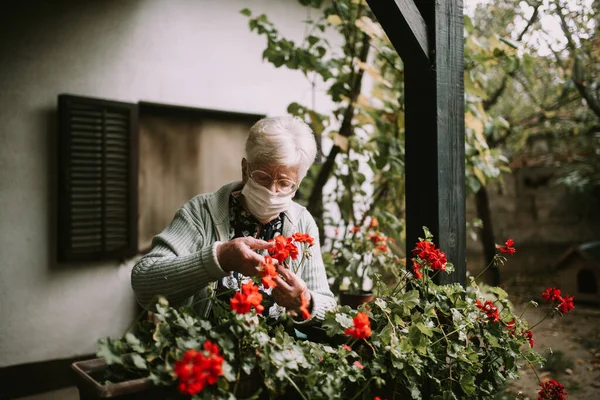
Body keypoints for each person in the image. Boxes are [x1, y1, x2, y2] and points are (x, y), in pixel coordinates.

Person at [131, 116, 336, 323]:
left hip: (275, 352)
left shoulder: (302, 222)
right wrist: (220, 258)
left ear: (297, 185)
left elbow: (329, 308)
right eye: (263, 176)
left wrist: (304, 301)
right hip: (207, 351)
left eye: (284, 183)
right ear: (245, 170)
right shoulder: (201, 213)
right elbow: (144, 283)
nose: (271, 191)